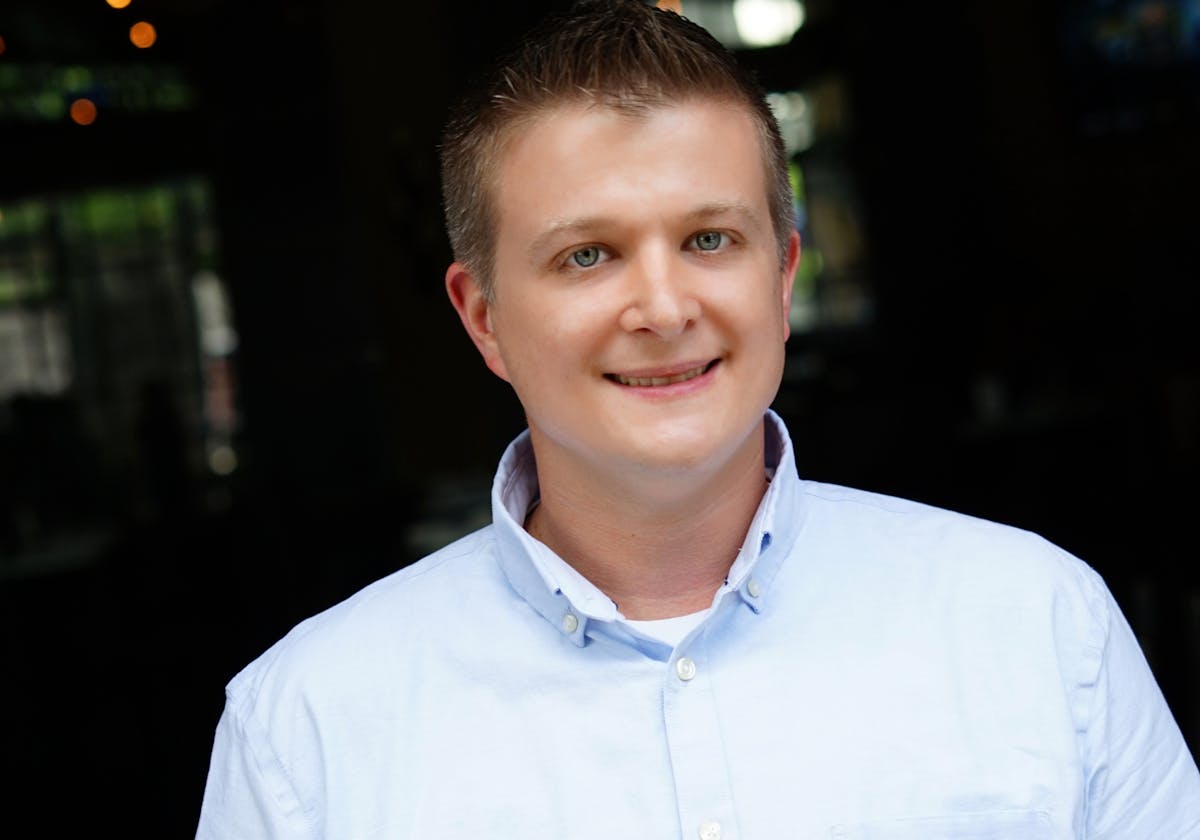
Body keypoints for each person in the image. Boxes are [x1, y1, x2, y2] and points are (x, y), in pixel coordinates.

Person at [195, 1, 1200, 837]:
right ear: (484, 318)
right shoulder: (306, 731)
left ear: (783, 276)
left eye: (710, 238)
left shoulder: (1040, 626)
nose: (665, 307)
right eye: (588, 254)